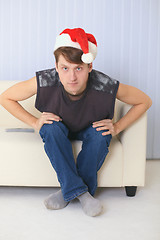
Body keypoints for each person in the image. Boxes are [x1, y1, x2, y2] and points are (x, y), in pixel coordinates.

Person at [0, 28, 152, 217]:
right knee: (49, 128)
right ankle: (82, 194)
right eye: (65, 68)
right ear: (56, 67)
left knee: (101, 133)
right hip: (59, 126)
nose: (72, 77)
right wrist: (34, 121)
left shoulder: (104, 84)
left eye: (78, 68)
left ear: (89, 67)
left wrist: (118, 126)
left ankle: (68, 193)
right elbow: (5, 97)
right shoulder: (45, 81)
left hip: (90, 128)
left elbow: (144, 100)